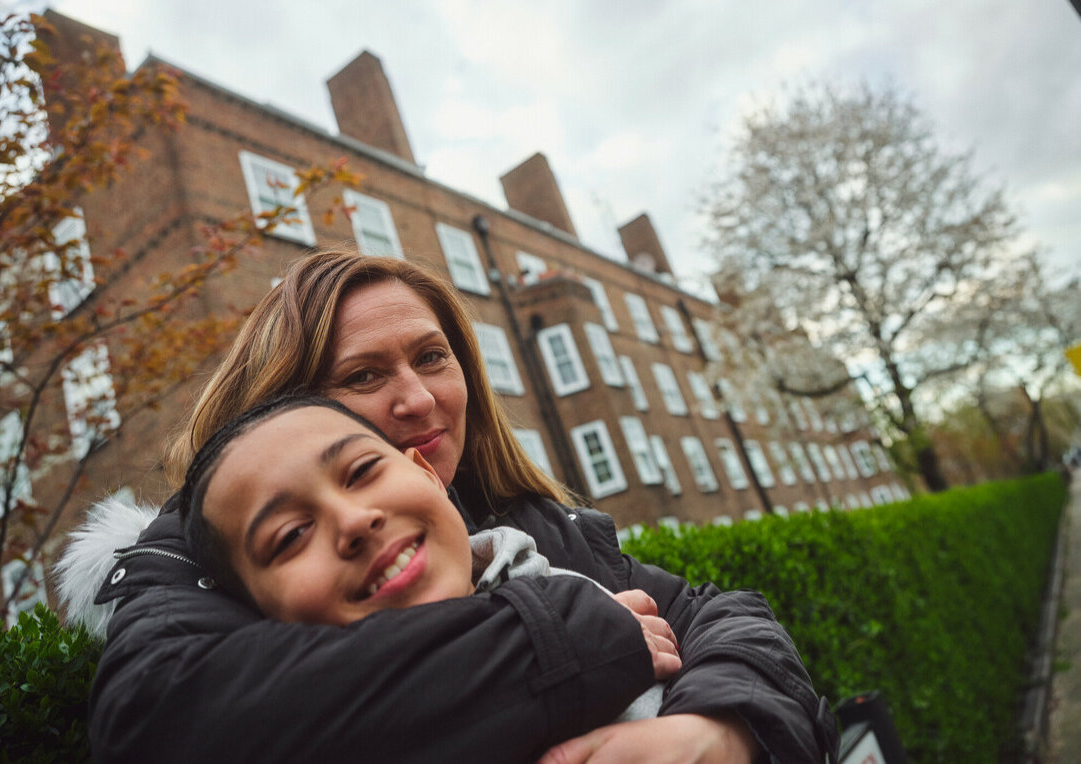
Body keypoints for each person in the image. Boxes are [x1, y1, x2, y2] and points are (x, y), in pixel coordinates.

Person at [61, 250, 838, 763]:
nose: (418, 397)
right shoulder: (197, 558)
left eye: (432, 358)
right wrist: (579, 628)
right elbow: (167, 718)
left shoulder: (522, 527)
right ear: (286, 411)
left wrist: (717, 732)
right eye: (363, 376)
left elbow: (714, 613)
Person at [178, 392, 673, 721]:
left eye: (361, 471)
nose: (354, 521)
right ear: (252, 608)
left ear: (427, 476)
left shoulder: (581, 587)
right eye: (290, 535)